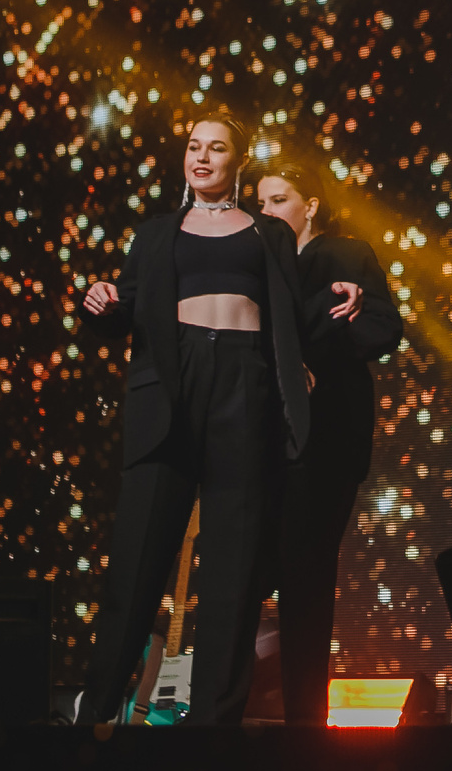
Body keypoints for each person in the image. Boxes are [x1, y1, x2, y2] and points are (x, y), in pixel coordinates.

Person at [79, 116, 364, 724]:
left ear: (239, 161)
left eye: (217, 148)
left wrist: (341, 301)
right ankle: (98, 708)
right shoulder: (156, 234)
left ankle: (215, 722)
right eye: (192, 146)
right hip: (171, 386)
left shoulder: (268, 235)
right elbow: (125, 308)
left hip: (244, 385)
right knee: (138, 559)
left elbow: (291, 315)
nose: (201, 157)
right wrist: (102, 300)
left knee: (233, 568)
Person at [249, 155, 401, 724]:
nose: (265, 211)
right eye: (259, 202)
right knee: (253, 570)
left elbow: (386, 329)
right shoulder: (255, 258)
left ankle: (305, 720)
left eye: (278, 199)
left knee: (307, 575)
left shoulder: (344, 253)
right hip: (264, 438)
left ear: (310, 205)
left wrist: (347, 319)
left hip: (328, 438)